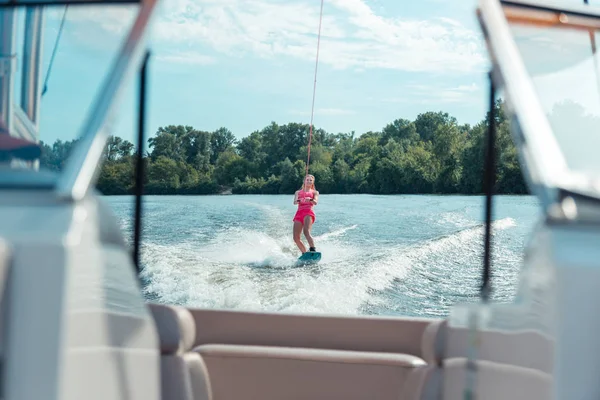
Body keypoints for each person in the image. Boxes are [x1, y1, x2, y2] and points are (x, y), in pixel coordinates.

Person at [292, 174, 319, 254]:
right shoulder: (298, 192)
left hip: (308, 212)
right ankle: (304, 253)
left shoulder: (315, 192)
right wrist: (300, 200)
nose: (309, 181)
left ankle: (312, 249)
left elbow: (315, 202)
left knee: (306, 231)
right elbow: (294, 202)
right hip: (299, 213)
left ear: (313, 182)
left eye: (311, 180)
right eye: (307, 180)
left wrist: (310, 199)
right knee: (295, 238)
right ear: (304, 181)